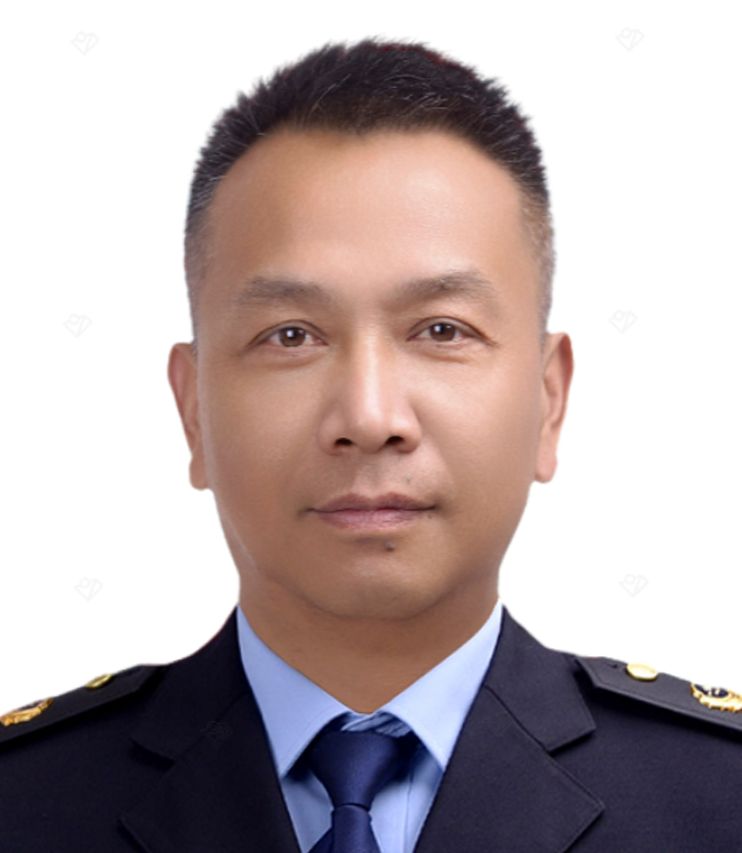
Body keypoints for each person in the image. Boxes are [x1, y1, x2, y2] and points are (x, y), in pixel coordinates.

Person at [2, 35, 741, 853]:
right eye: (290, 335)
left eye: (441, 329)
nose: (369, 414)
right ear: (193, 410)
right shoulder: (25, 802)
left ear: (548, 399)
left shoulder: (718, 798)